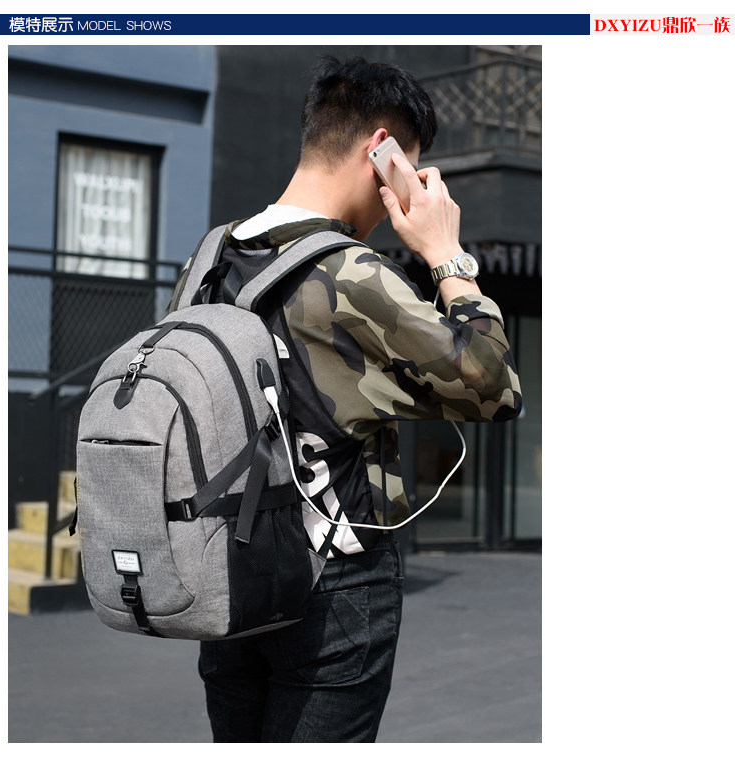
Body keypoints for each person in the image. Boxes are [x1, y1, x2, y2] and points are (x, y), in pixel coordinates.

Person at [198, 55, 522, 743]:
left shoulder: (210, 260)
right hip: (334, 586)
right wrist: (448, 256)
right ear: (383, 152)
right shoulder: (351, 272)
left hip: (228, 573)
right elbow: (496, 387)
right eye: (413, 166)